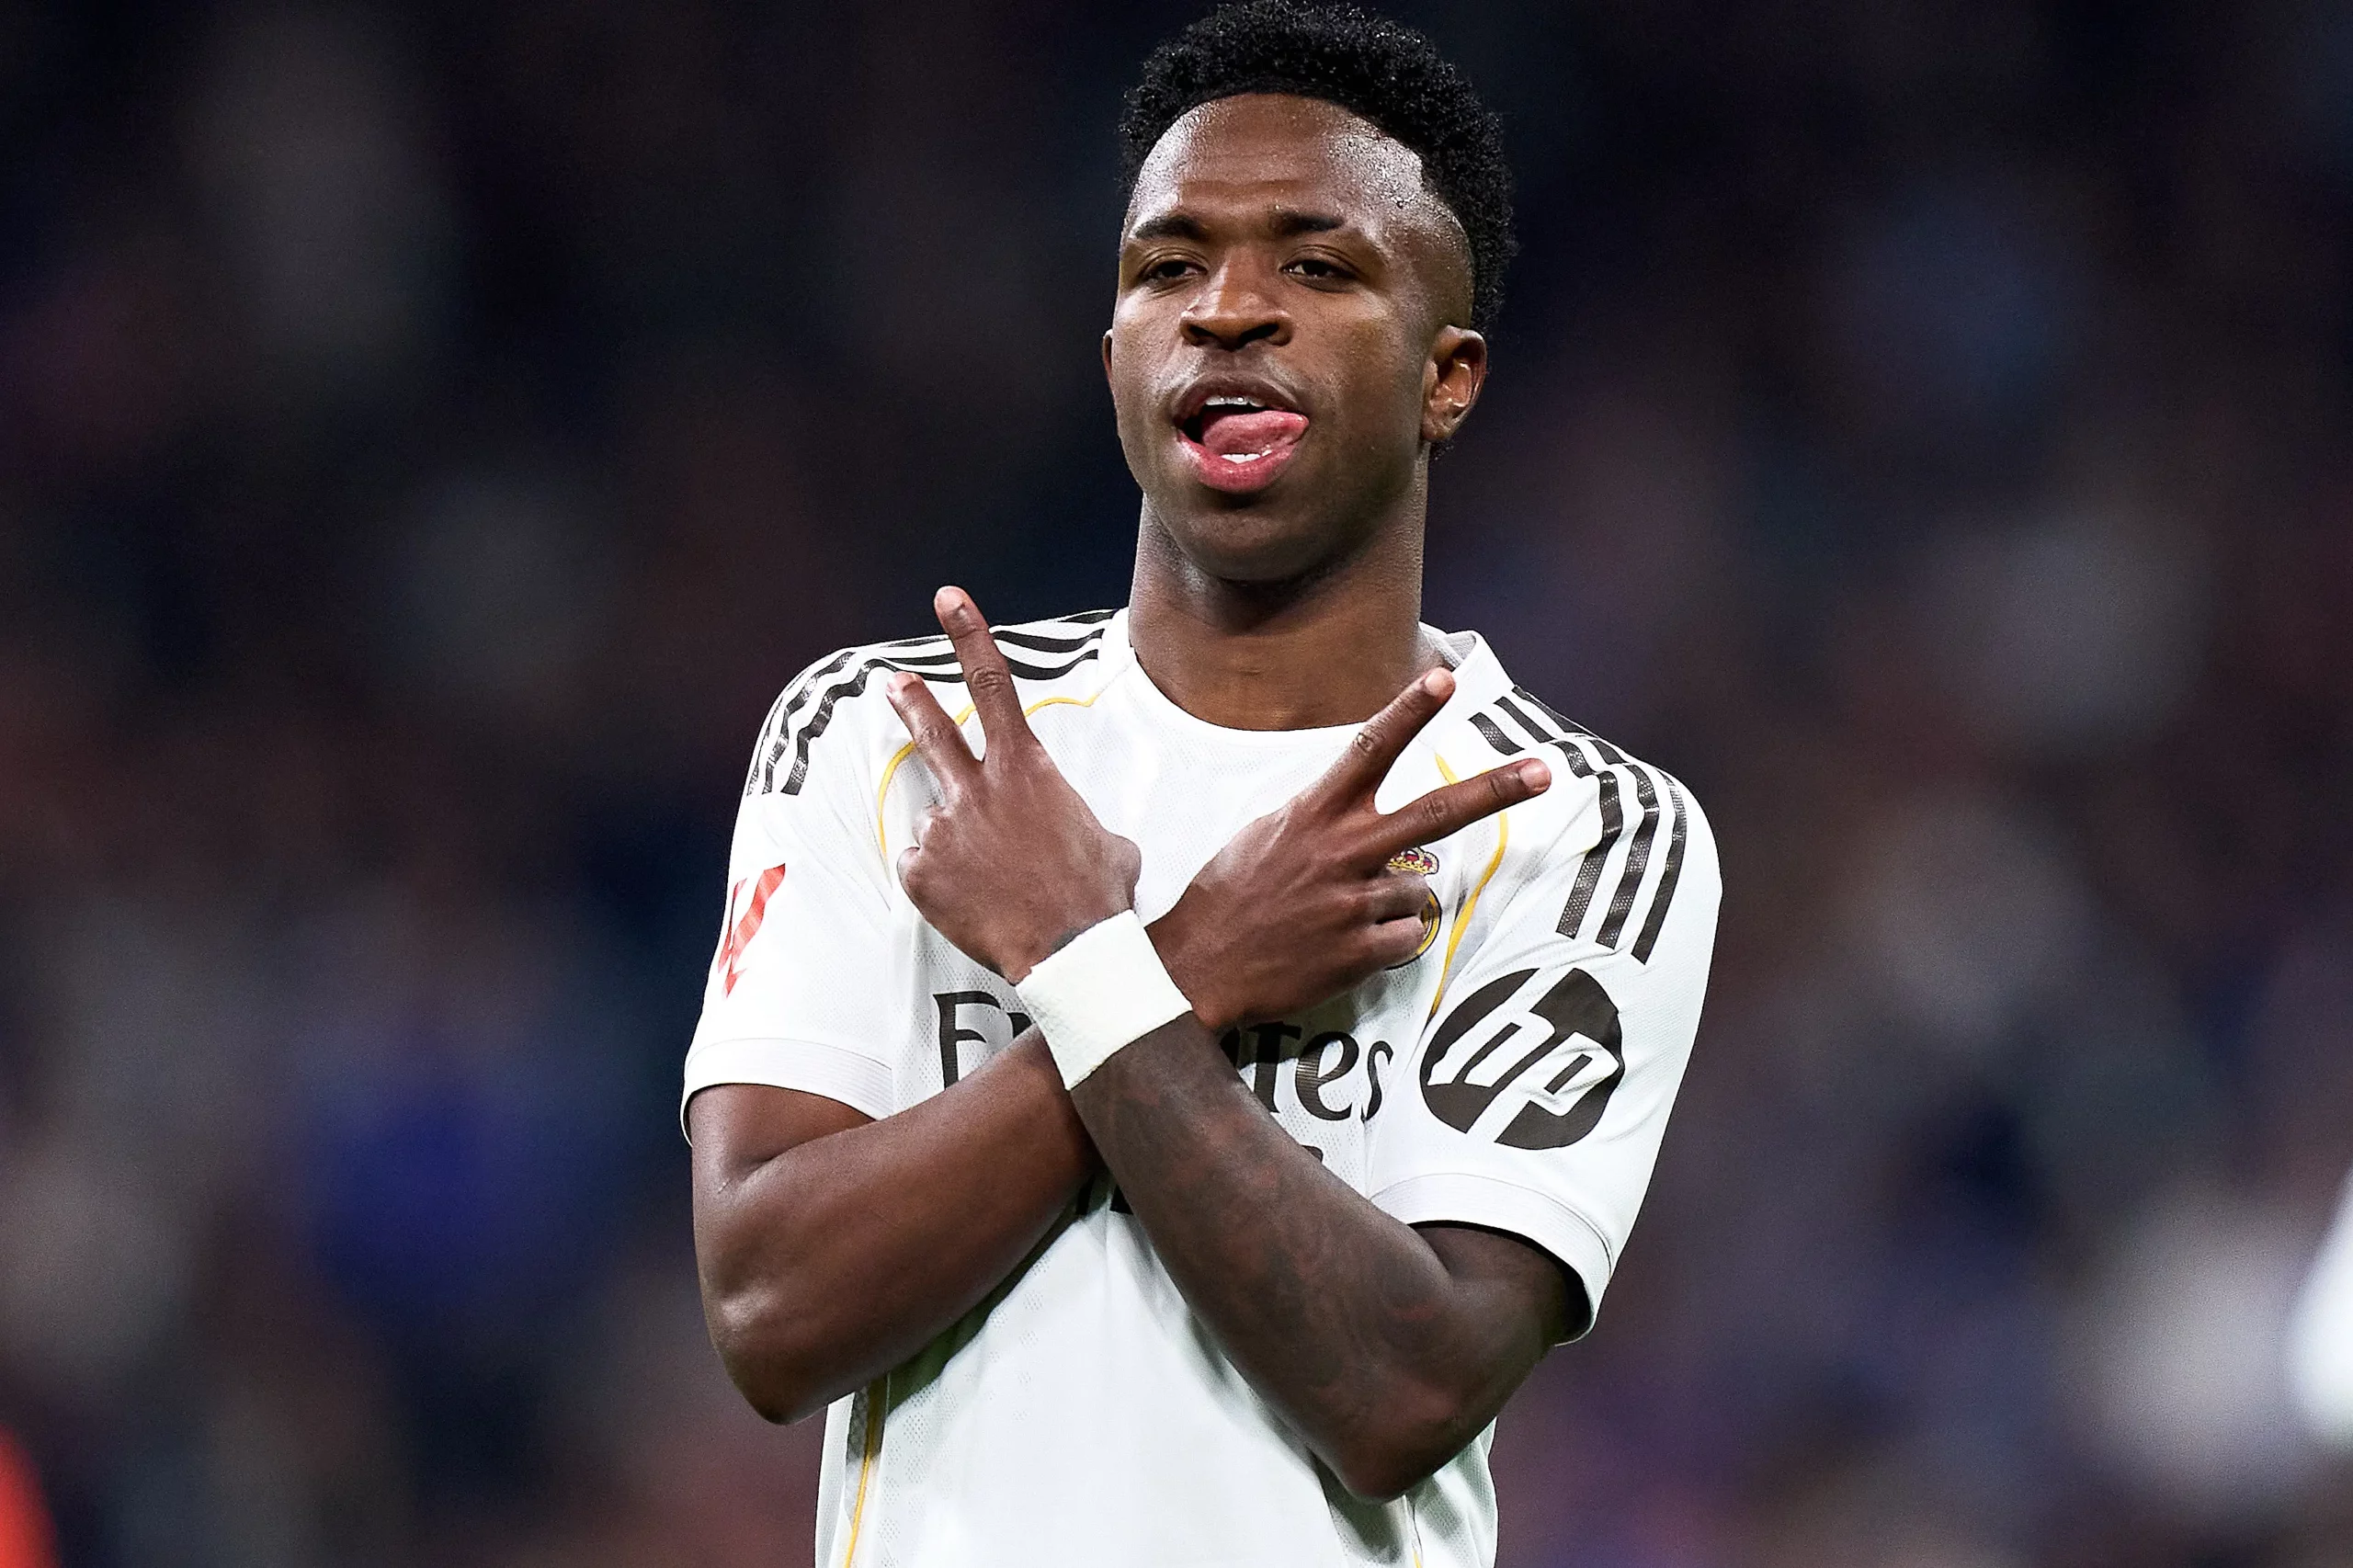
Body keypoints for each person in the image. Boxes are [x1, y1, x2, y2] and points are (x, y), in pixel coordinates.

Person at [683, 5, 1720, 1563]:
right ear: (1115, 359)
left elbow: (1402, 1382)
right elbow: (769, 1306)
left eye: (1318, 265)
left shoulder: (1570, 827)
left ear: (1449, 379)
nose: (1229, 309)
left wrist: (1090, 971)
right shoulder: (892, 734)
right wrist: (1179, 973)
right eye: (1167, 267)